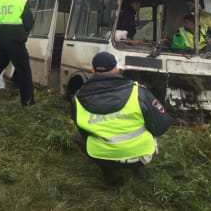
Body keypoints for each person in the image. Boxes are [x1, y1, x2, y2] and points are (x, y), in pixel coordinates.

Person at [71, 52, 172, 186]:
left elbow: (83, 131)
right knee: (151, 121)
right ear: (116, 69)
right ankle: (139, 168)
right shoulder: (138, 92)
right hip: (141, 155)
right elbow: (162, 125)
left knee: (78, 136)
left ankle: (110, 172)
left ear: (92, 70)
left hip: (103, 156)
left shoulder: (77, 98)